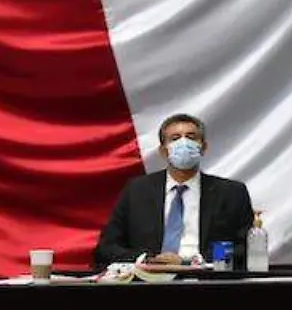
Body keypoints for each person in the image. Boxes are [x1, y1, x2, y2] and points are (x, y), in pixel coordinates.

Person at [94, 114, 255, 266]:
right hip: (149, 279)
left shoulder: (231, 192)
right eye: (175, 138)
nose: (184, 143)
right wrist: (148, 260)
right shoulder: (137, 190)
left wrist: (196, 261)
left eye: (191, 137)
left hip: (206, 278)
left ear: (203, 147)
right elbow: (108, 247)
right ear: (163, 151)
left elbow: (245, 248)